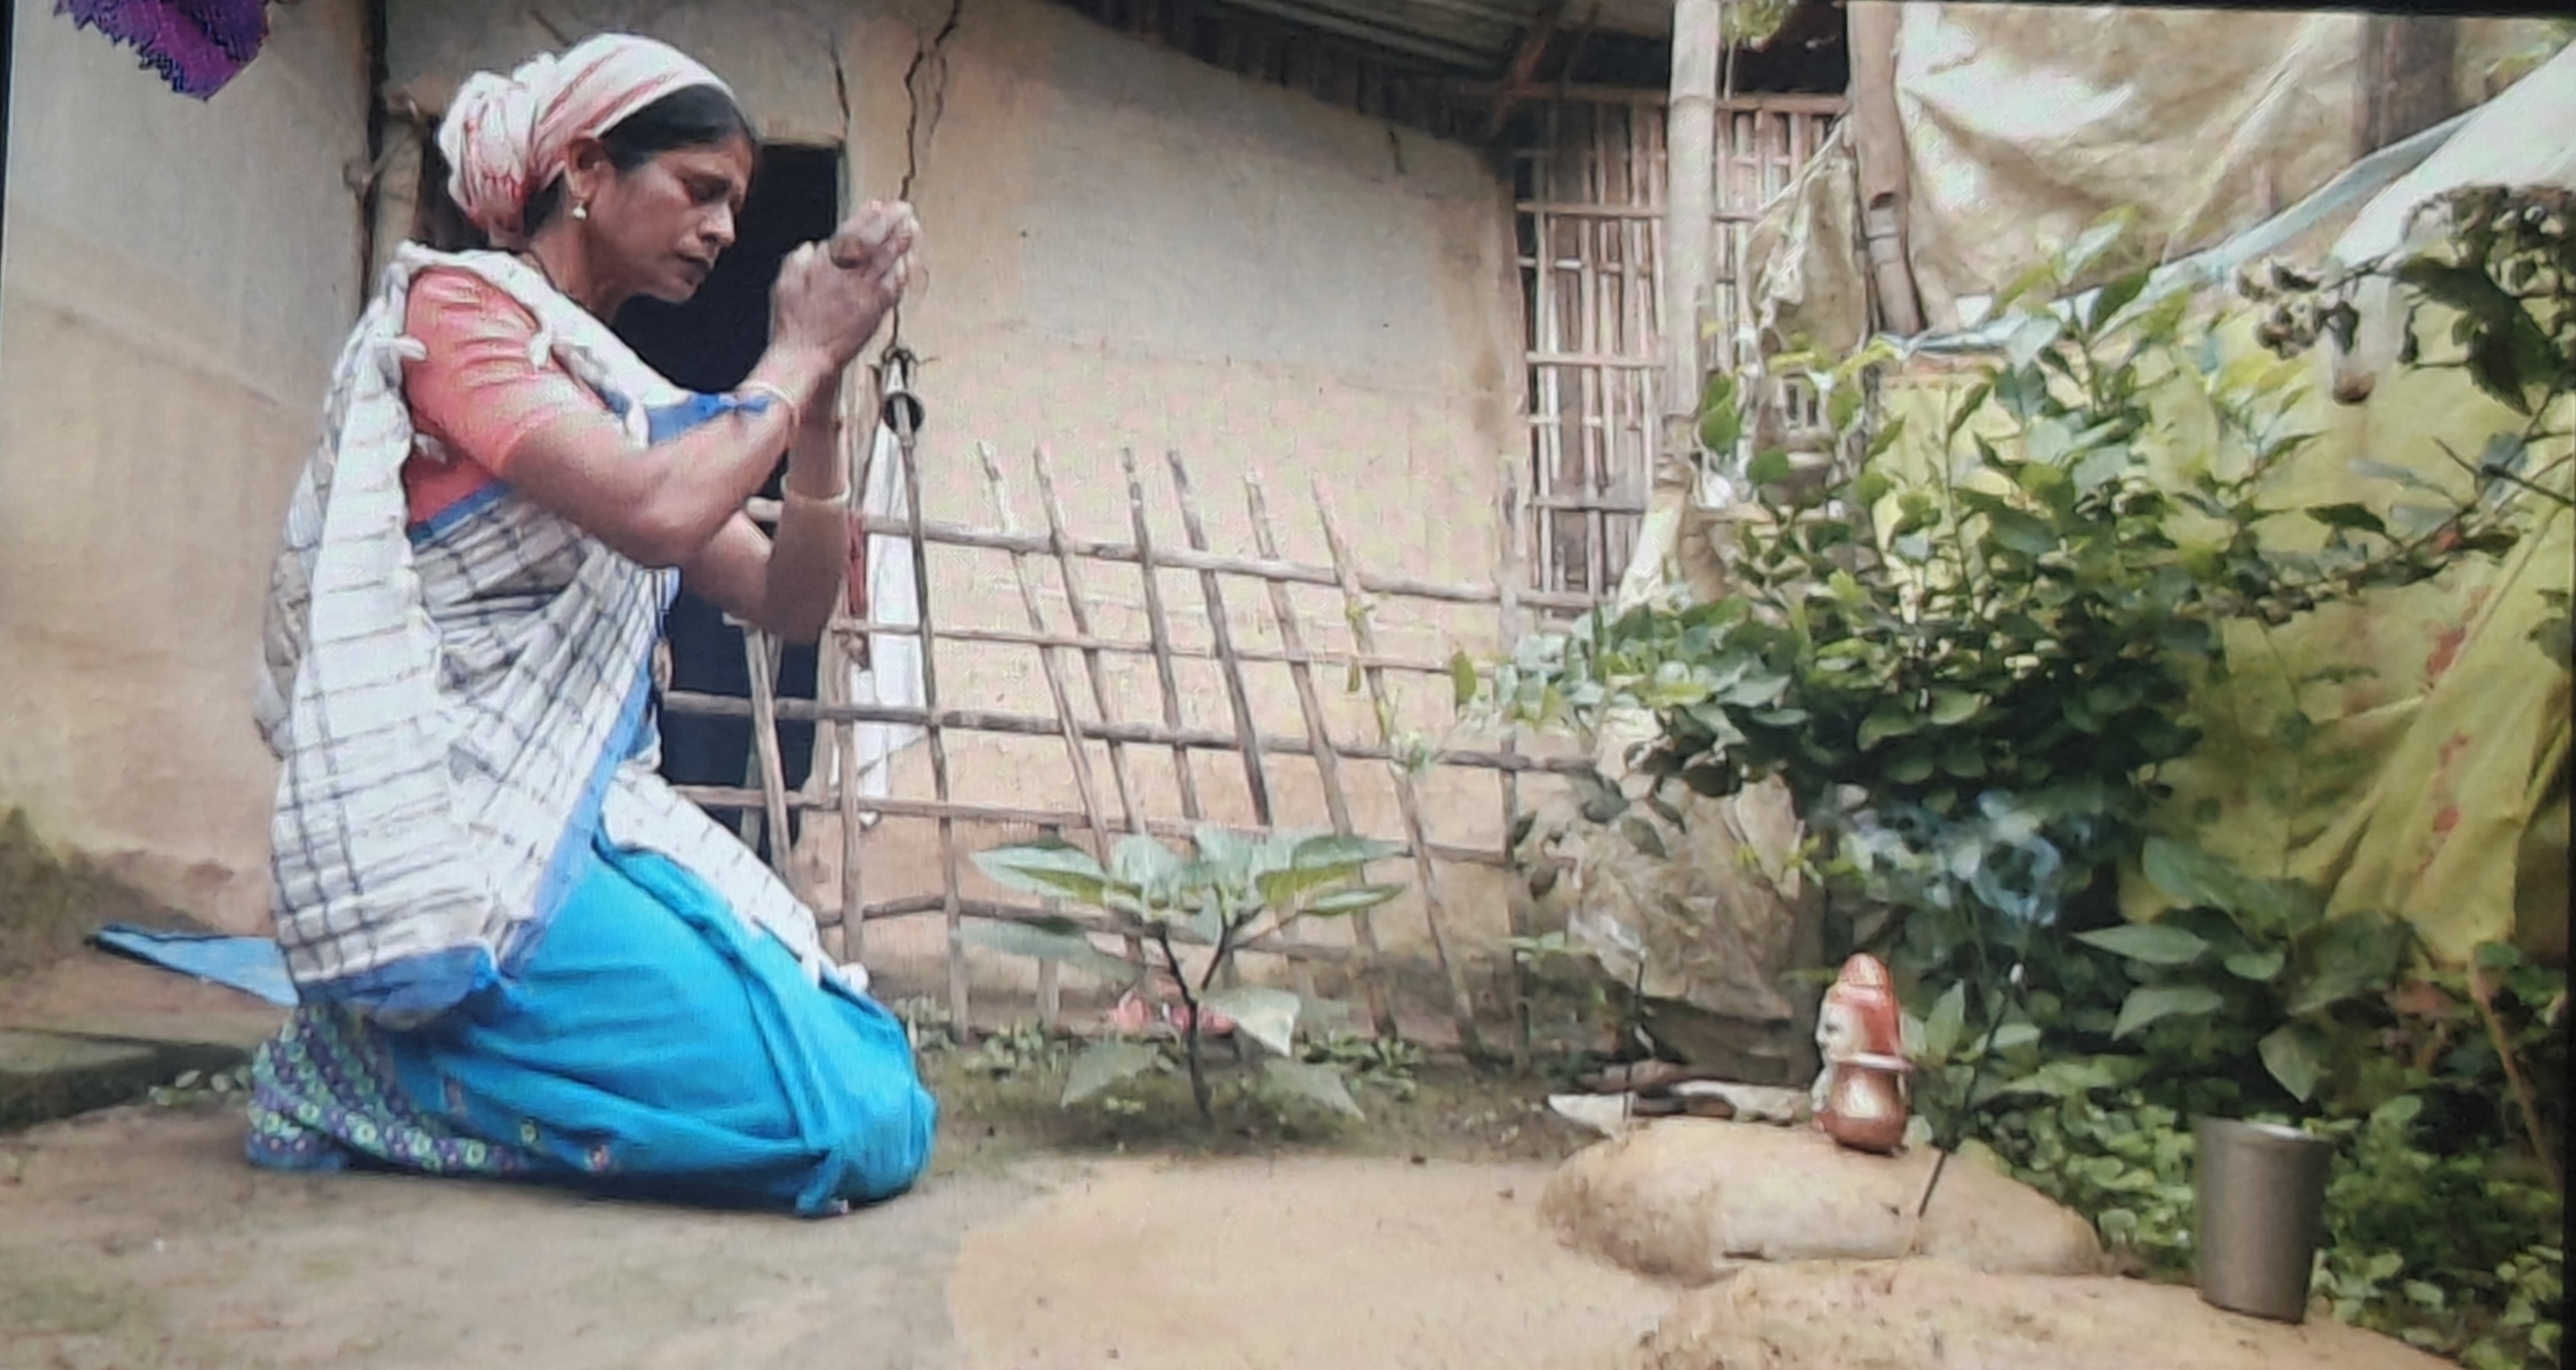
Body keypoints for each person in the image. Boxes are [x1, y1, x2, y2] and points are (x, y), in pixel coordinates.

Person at [245, 33, 936, 1217]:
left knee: (873, 1067)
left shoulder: (617, 392)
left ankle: (436, 1062)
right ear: (584, 169)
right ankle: (363, 1074)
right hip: (465, 826)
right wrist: (796, 350)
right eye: (699, 190)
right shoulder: (457, 316)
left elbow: (790, 601)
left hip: (577, 816)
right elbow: (655, 512)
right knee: (840, 1120)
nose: (723, 229)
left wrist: (818, 401)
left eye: (734, 204)